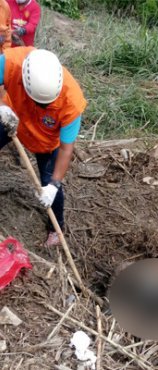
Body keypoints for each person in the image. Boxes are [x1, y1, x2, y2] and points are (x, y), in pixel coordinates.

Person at [0, 46, 86, 247]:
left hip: (46, 142)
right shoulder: (11, 62)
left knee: (50, 182)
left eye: (45, 104)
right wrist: (2, 105)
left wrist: (54, 185)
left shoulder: (71, 101)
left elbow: (66, 148)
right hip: (11, 117)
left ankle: (55, 230)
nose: (42, 106)